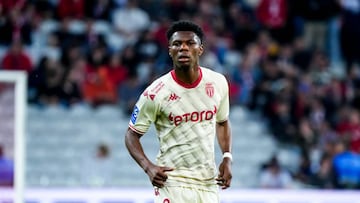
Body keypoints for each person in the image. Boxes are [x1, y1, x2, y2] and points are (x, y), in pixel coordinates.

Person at [124, 20, 232, 203]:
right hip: (172, 182)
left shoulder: (218, 82)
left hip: (208, 183)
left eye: (190, 43)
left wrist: (227, 157)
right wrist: (148, 166)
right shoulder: (155, 93)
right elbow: (131, 135)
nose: (183, 48)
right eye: (177, 44)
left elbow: (222, 122)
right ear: (170, 51)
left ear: (200, 49)